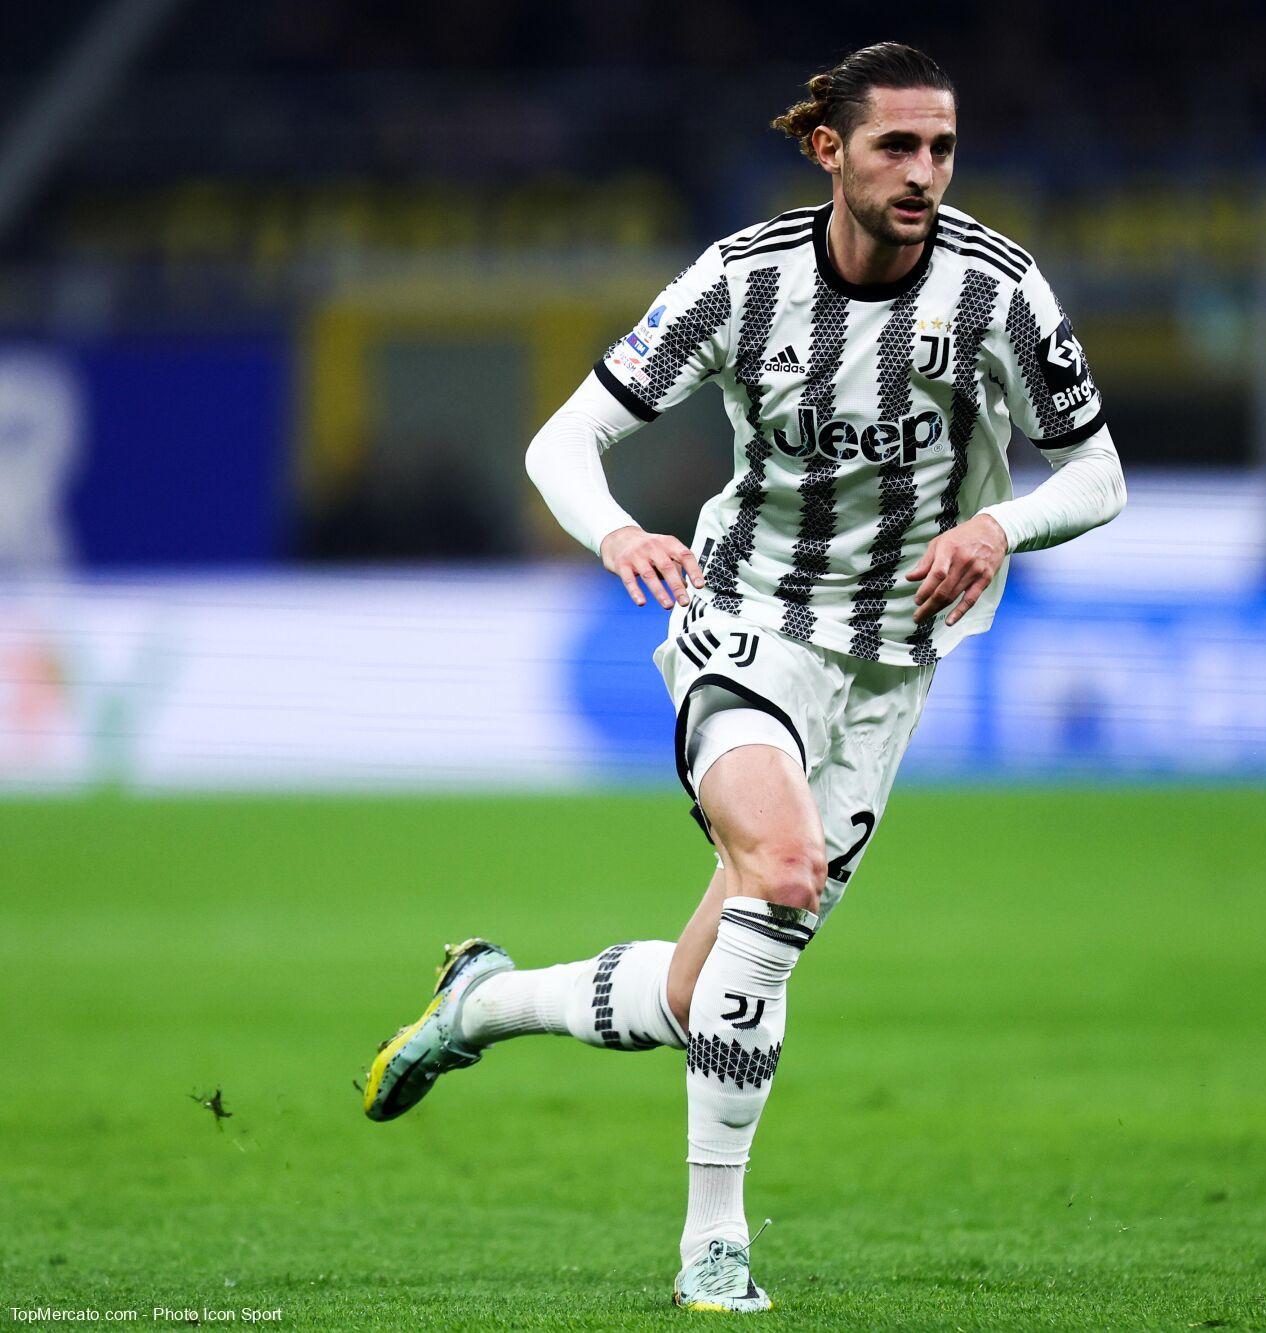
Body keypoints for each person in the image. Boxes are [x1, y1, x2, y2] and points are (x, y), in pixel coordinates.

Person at [359, 42, 1125, 1314]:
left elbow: (1097, 475)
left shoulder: (998, 291)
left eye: (940, 147)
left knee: (697, 989)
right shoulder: (742, 280)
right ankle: (712, 1246)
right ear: (829, 150)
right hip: (744, 617)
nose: (923, 172)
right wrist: (617, 530)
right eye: (895, 145)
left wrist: (1000, 526)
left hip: (889, 668)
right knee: (782, 867)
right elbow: (565, 440)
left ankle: (481, 1004)